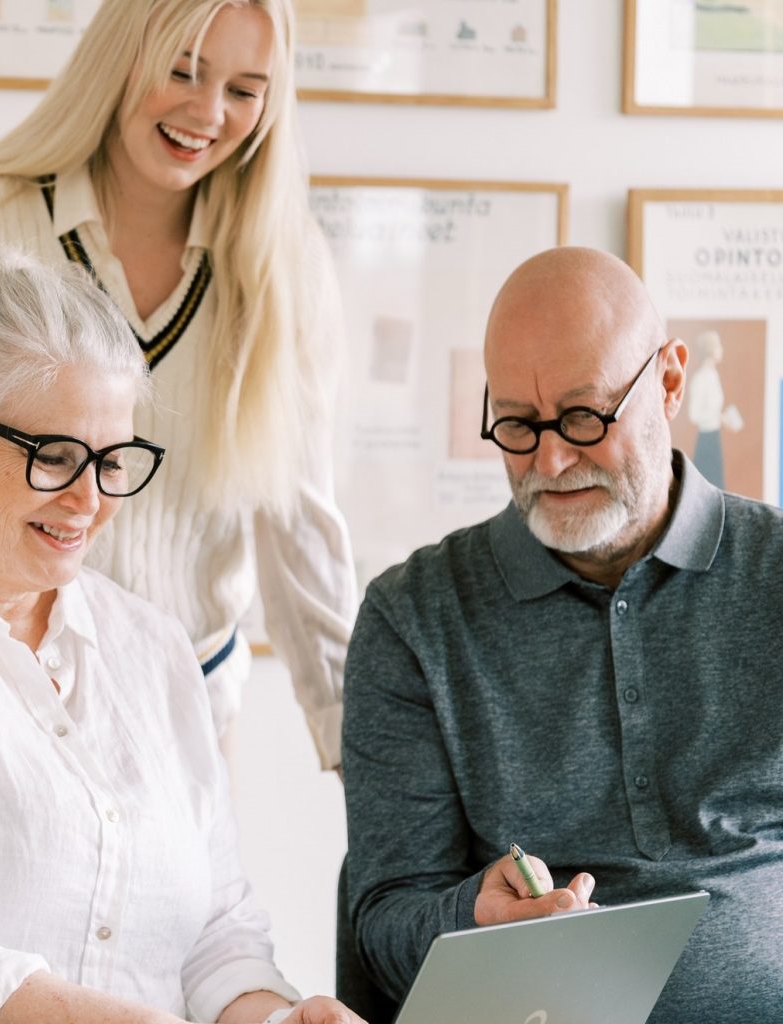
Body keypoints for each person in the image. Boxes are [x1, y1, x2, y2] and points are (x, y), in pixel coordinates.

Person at [0, 253, 363, 1024]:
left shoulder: (151, 647)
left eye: (114, 461)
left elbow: (217, 936)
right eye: (53, 457)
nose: (90, 499)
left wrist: (279, 1017)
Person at [0, 0, 357, 770]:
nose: (207, 113)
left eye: (244, 90)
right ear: (119, 58)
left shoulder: (284, 269)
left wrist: (360, 754)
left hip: (188, 713)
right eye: (182, 70)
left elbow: (301, 525)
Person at [341, 247, 783, 1024]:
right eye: (516, 423)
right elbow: (382, 923)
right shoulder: (413, 617)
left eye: (584, 416)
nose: (550, 458)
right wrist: (471, 918)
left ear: (671, 382)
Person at [686, 328, 742, 489]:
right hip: (707, 441)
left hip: (714, 437)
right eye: (718, 346)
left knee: (716, 486)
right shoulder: (701, 378)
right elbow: (694, 415)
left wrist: (721, 417)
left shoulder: (712, 375)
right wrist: (719, 417)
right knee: (708, 486)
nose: (721, 350)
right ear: (710, 350)